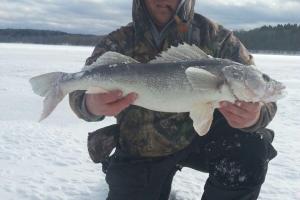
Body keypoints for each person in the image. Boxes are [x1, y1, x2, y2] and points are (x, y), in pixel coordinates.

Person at [69, 0, 278, 199]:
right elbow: (78, 90)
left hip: (201, 138)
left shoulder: (215, 36)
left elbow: (264, 95)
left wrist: (256, 116)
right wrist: (89, 104)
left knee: (250, 149)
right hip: (142, 145)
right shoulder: (118, 42)